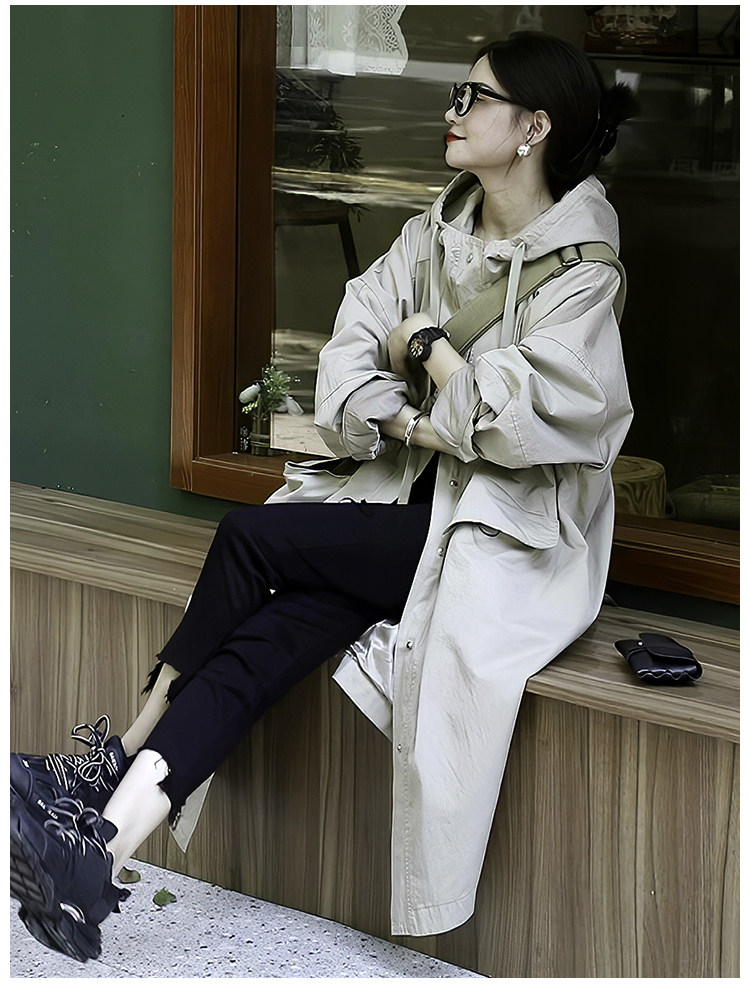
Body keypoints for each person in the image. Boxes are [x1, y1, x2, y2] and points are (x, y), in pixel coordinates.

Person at [10, 31, 636, 962]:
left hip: (495, 530)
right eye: (459, 94)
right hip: (403, 500)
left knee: (251, 539)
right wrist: (424, 410)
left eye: (474, 98)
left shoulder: (583, 272)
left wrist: (423, 347)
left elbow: (522, 420)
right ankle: (96, 857)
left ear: (533, 127)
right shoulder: (430, 234)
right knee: (267, 637)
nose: (452, 110)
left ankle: (107, 761)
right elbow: (347, 359)